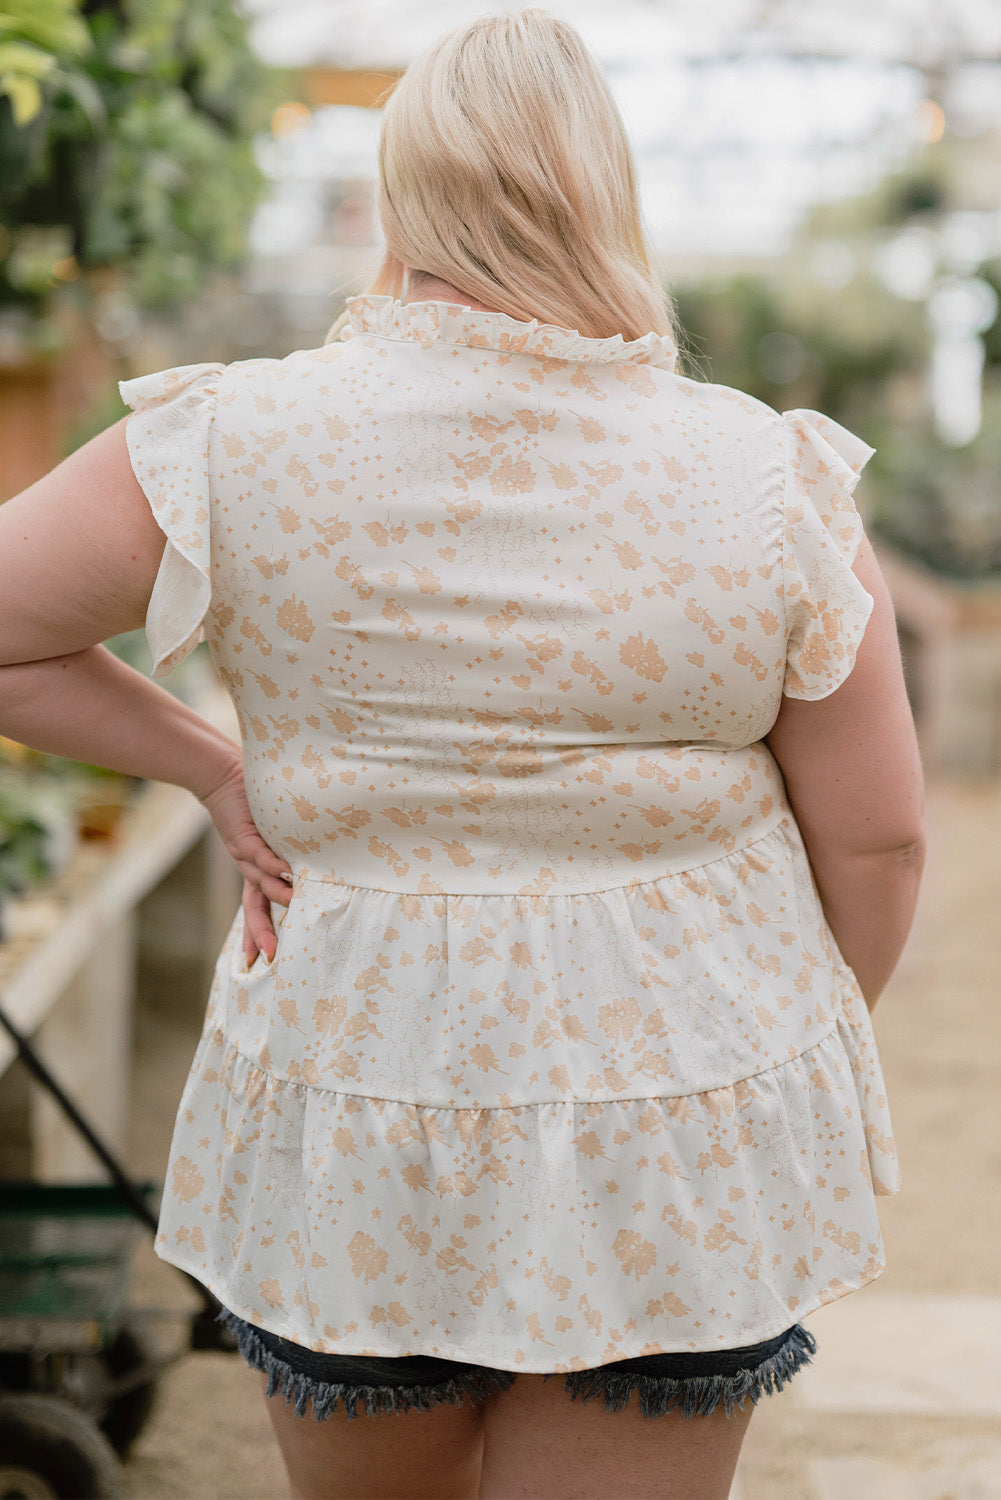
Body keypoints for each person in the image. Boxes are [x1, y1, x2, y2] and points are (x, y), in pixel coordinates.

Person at [0, 10, 925, 1499]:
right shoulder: (763, 474)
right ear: (603, 192)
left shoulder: (243, 439)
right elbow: (877, 837)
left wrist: (212, 765)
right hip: (677, 1099)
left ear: (398, 196)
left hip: (355, 1085)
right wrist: (790, 1028)